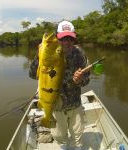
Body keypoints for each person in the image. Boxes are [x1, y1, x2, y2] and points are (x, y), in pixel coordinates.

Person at [29, 20, 90, 150]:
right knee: (60, 137)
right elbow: (33, 74)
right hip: (55, 106)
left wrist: (80, 80)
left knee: (78, 136)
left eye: (70, 39)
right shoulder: (47, 54)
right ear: (57, 38)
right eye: (63, 39)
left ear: (74, 39)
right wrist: (39, 56)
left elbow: (87, 80)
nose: (66, 42)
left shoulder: (79, 54)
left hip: (75, 103)